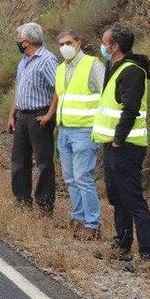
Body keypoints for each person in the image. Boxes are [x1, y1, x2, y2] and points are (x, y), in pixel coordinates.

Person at [93, 22, 150, 273]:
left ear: (115, 46)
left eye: (105, 42)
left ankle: (149, 254)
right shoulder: (115, 66)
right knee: (117, 196)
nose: (102, 46)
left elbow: (130, 109)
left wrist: (119, 138)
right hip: (111, 144)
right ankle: (121, 245)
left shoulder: (131, 70)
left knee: (133, 199)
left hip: (126, 146)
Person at [42, 30, 105, 240]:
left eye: (68, 42)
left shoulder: (92, 64)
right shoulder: (60, 69)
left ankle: (92, 223)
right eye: (61, 44)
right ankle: (78, 218)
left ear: (79, 43)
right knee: (69, 178)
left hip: (85, 131)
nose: (64, 47)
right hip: (65, 130)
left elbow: (106, 95)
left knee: (83, 177)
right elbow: (60, 97)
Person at [7, 22, 58, 213]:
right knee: (19, 160)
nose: (18, 41)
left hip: (39, 116)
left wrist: (49, 115)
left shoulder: (47, 60)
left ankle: (45, 204)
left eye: (19, 38)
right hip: (22, 116)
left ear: (27, 42)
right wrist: (12, 115)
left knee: (43, 162)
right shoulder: (24, 61)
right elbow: (19, 90)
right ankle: (22, 200)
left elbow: (58, 90)